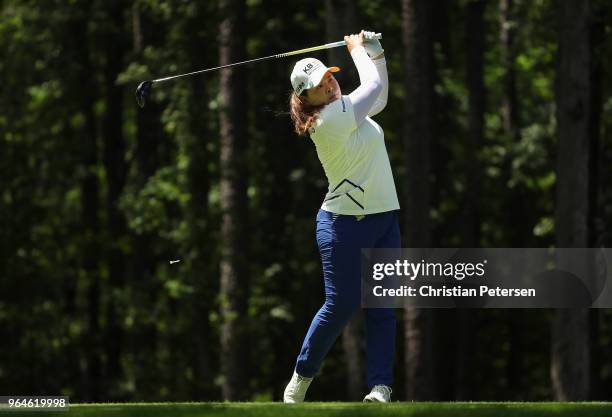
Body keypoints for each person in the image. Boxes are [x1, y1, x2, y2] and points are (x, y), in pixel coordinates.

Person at [283, 30, 401, 403]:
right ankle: (301, 377)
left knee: (382, 304)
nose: (330, 84)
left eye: (330, 76)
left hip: (384, 219)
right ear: (308, 99)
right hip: (342, 226)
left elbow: (378, 94)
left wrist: (376, 52)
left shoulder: (348, 108)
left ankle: (380, 387)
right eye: (321, 85)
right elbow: (373, 83)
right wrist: (357, 50)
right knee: (341, 304)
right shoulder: (329, 121)